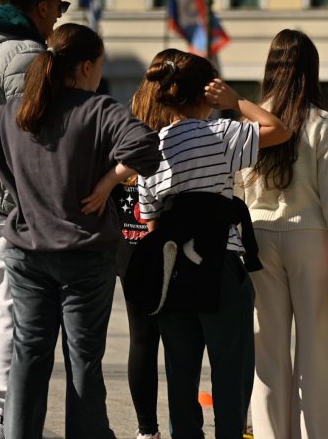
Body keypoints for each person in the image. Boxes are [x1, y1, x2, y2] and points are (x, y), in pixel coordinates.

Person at [0, 23, 161, 439]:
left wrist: (11, 175)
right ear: (86, 67)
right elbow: (147, 146)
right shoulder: (100, 110)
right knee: (83, 359)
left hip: (27, 252)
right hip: (85, 252)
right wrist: (108, 181)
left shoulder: (17, 111)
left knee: (28, 355)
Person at [133, 50, 289, 439]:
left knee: (180, 372)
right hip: (220, 264)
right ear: (207, 93)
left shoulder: (151, 148)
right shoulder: (221, 134)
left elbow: (151, 221)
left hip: (173, 271)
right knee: (231, 368)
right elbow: (278, 130)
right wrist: (236, 101)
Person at [234, 29, 328, 439]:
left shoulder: (251, 121)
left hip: (258, 235)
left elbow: (237, 189)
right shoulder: (323, 124)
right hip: (310, 237)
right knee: (319, 348)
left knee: (266, 349)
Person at [0, 0, 66, 439]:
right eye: (60, 7)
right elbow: (33, 137)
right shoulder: (29, 56)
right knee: (14, 315)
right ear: (43, 7)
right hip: (5, 204)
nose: (58, 18)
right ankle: (10, 421)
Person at [111, 49, 181, 439]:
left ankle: (146, 430)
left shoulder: (125, 124)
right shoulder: (179, 131)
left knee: (142, 338)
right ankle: (182, 426)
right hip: (171, 244)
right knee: (180, 340)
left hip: (130, 244)